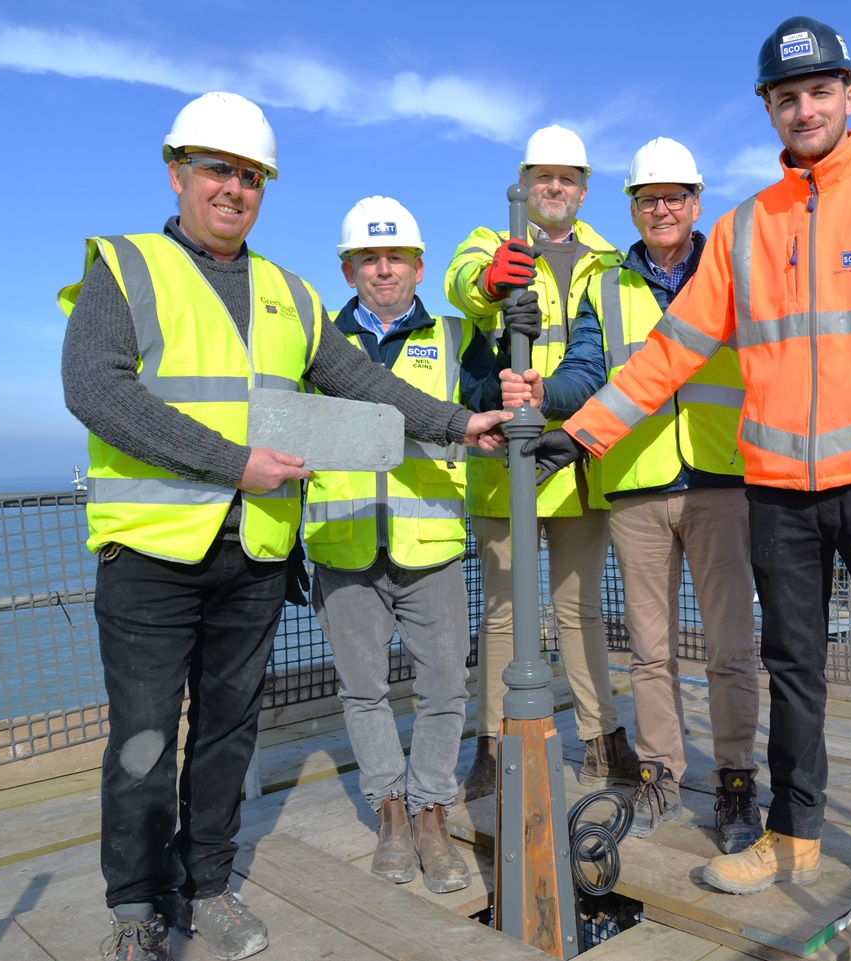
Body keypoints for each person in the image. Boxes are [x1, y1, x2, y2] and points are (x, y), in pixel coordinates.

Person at [522, 18, 851, 954]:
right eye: (787, 95)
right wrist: (582, 431)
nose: (805, 107)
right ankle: (794, 837)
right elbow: (671, 352)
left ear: (850, 97)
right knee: (794, 673)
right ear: (768, 109)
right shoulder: (742, 229)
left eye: (821, 91)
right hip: (777, 487)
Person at [59, 93, 511, 961]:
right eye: (217, 170)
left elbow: (364, 387)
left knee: (230, 729)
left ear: (263, 187)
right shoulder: (126, 267)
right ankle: (138, 907)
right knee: (145, 736)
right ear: (178, 174)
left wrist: (462, 426)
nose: (233, 187)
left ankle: (211, 886)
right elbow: (96, 389)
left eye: (249, 175)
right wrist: (233, 463)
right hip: (151, 552)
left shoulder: (288, 292)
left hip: (256, 550)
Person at [500, 138, 762, 852]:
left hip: (721, 481)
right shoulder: (609, 285)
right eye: (650, 199)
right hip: (637, 487)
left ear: (697, 201)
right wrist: (542, 395)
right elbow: (588, 368)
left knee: (731, 648)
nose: (663, 208)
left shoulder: (734, 273)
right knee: (650, 650)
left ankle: (737, 779)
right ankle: (660, 771)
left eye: (675, 196)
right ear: (633, 208)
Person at [304, 197, 531, 895]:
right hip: (342, 541)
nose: (383, 270)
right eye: (368, 259)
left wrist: (519, 339)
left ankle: (431, 809)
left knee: (444, 687)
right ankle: (392, 812)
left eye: (395, 257)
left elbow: (498, 399)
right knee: (363, 690)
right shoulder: (316, 343)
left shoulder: (459, 336)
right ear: (347, 270)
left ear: (418, 266)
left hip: (429, 539)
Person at [444, 125, 635, 800]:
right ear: (525, 182)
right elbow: (461, 284)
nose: (554, 188)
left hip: (578, 458)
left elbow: (609, 354)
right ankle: (495, 743)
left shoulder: (610, 259)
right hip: (507, 457)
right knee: (501, 611)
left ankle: (601, 737)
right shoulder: (491, 241)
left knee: (581, 607)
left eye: (568, 178)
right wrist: (492, 282)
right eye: (542, 176)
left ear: (584, 188)